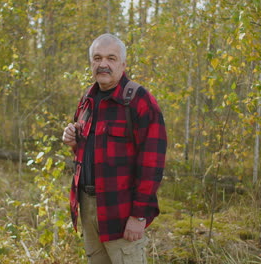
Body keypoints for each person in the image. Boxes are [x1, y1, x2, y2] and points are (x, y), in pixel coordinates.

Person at [62, 33, 167, 264]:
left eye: (111, 58)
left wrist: (138, 216)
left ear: (123, 64)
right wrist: (73, 143)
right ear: (91, 63)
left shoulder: (139, 100)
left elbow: (152, 165)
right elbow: (88, 154)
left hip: (121, 210)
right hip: (88, 207)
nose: (103, 64)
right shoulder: (87, 100)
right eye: (97, 58)